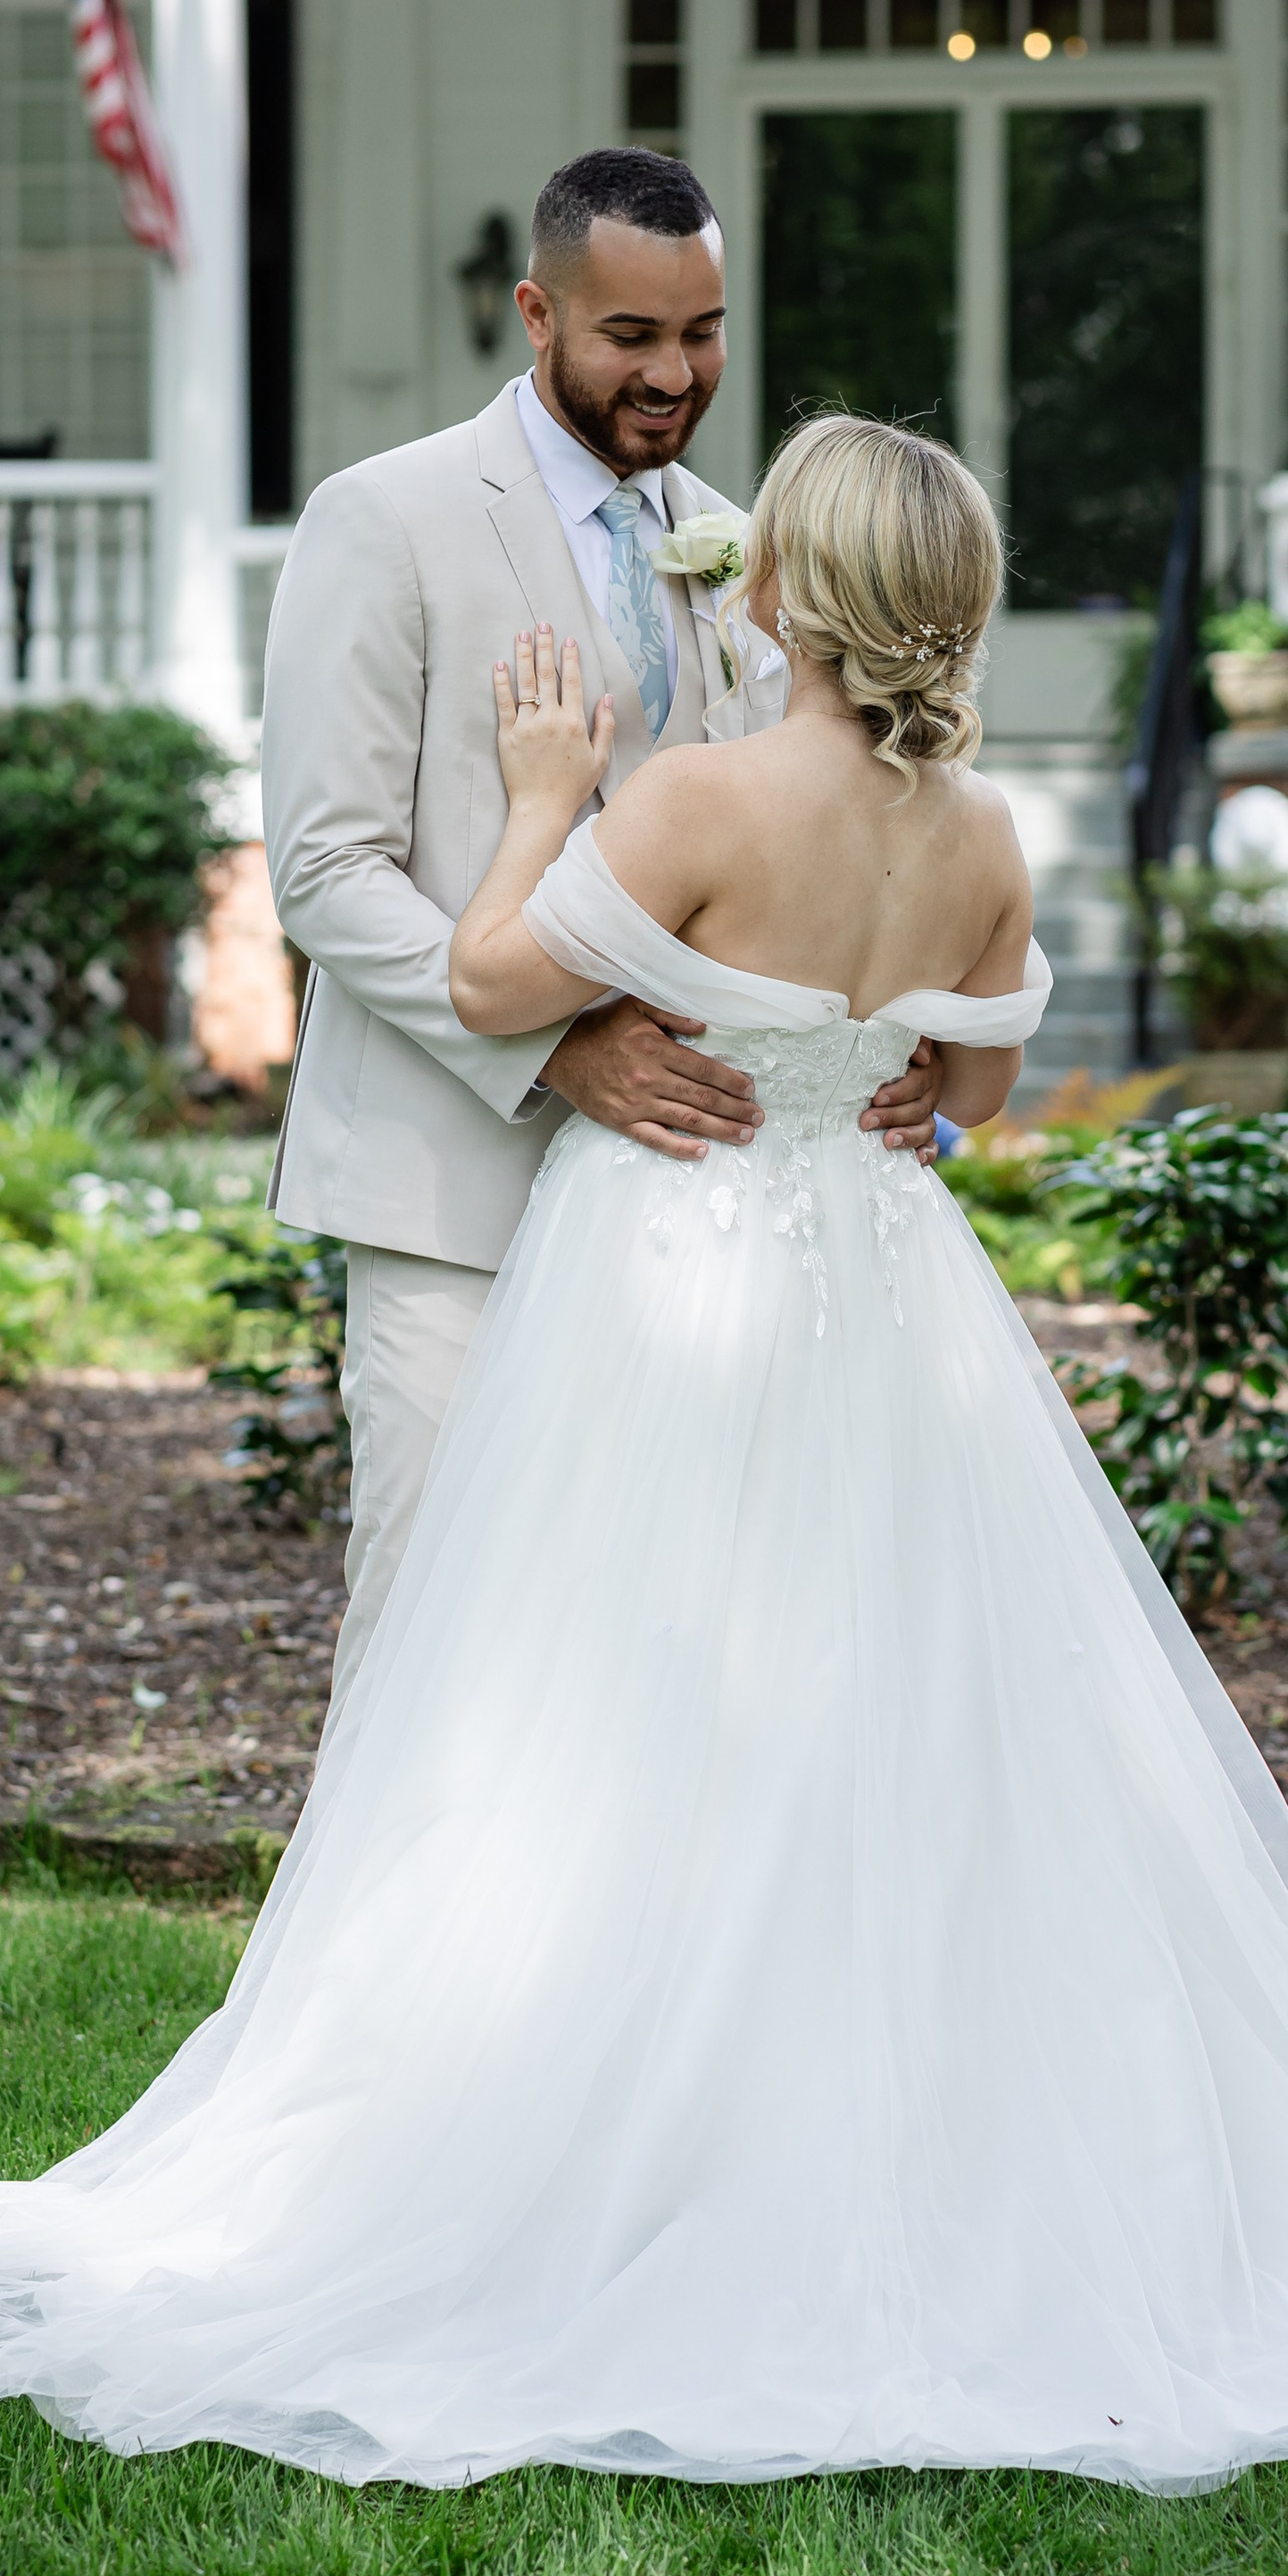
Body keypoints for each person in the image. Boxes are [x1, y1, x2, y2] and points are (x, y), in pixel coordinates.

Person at [0, 415, 1288, 2490]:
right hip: (884, 1292)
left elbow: (496, 981)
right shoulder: (983, 836)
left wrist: (537, 799)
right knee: (913, 1707)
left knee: (598, 1704)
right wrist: (876, 1084)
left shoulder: (683, 798)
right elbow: (974, 1085)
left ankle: (610, 2109)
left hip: (662, 1281)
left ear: (775, 592)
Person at [255, 145, 940, 1719]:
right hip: (457, 1189)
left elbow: (829, 819)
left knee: (664, 1650)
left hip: (692, 1214)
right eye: (630, 336)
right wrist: (557, 1048)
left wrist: (887, 1053)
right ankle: (386, 1971)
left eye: (702, 332)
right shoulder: (388, 519)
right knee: (433, 1622)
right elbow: (326, 866)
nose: (675, 373)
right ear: (536, 313)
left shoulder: (748, 538)